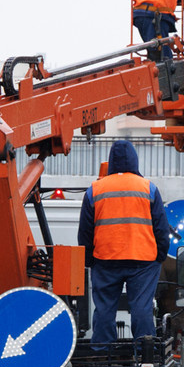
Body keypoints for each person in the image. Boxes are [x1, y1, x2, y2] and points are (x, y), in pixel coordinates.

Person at [77, 140, 171, 344]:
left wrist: (88, 259)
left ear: (111, 162)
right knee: (141, 309)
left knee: (103, 309)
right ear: (135, 161)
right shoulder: (148, 188)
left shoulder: (95, 190)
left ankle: (103, 354)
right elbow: (161, 228)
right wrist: (160, 255)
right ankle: (145, 353)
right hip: (143, 261)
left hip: (105, 259)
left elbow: (85, 230)